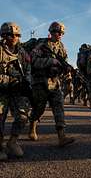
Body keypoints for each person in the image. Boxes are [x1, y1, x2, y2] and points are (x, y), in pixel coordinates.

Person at [28, 21, 74, 147]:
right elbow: (34, 61)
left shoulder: (62, 47)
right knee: (39, 108)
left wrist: (69, 78)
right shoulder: (42, 44)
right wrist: (50, 61)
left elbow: (65, 64)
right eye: (56, 32)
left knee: (59, 107)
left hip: (55, 82)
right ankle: (32, 125)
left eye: (61, 33)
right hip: (40, 81)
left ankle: (61, 136)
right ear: (51, 32)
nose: (58, 34)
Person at [0, 22, 31, 160]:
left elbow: (28, 70)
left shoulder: (22, 52)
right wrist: (8, 80)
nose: (14, 37)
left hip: (17, 90)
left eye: (17, 35)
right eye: (11, 35)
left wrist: (26, 83)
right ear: (4, 35)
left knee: (23, 116)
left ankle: (12, 142)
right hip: (1, 91)